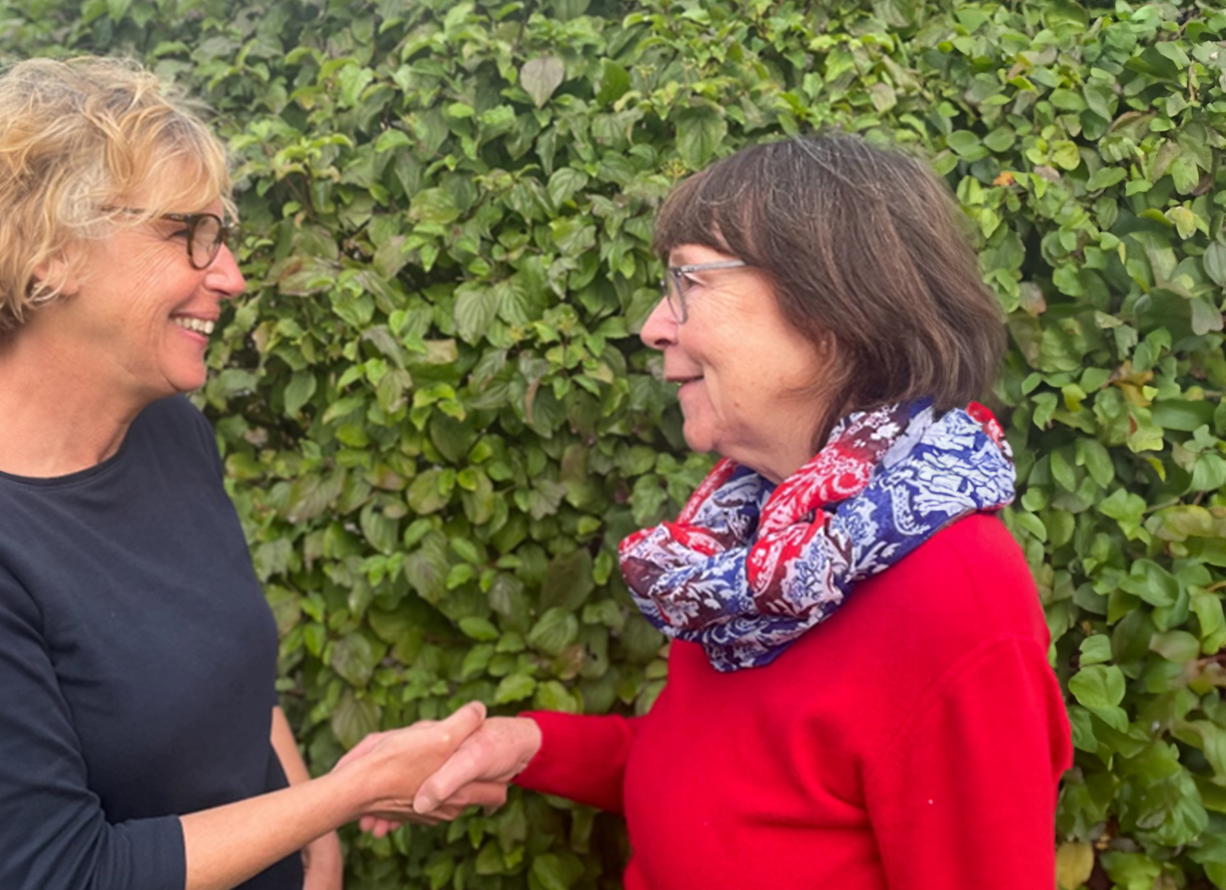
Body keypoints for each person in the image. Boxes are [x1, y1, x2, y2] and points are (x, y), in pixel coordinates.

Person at [0, 57, 495, 890]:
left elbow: (237, 685)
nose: (230, 275)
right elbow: (67, 873)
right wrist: (342, 799)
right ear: (49, 256)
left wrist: (312, 851)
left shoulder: (168, 435)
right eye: (190, 235)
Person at [365, 135, 1073, 887]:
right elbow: (729, 787)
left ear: (833, 312)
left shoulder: (952, 594)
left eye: (687, 282)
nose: (652, 325)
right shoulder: (756, 548)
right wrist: (528, 745)